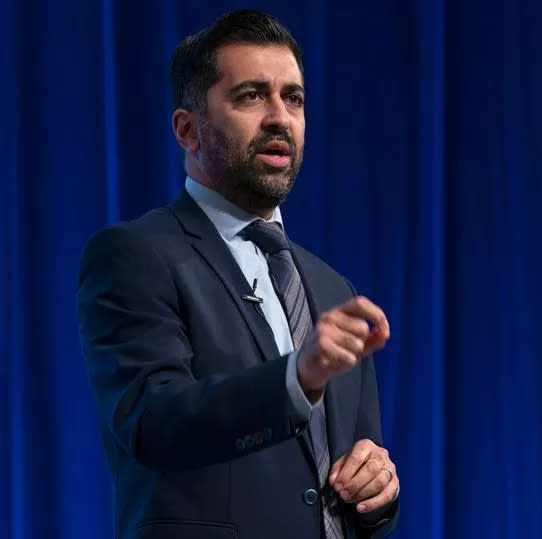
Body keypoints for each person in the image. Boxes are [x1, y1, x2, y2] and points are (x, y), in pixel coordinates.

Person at [77, 10, 399, 539]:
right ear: (188, 129)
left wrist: (379, 491)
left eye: (292, 98)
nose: (279, 117)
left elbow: (343, 482)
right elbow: (153, 424)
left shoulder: (331, 289)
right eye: (251, 95)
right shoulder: (135, 256)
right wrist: (297, 378)